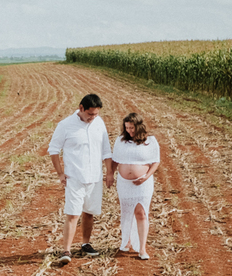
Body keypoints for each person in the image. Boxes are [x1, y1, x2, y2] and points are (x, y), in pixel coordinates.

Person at [47, 94, 113, 265]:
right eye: (90, 114)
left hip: (95, 177)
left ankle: (85, 243)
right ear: (81, 108)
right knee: (73, 213)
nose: (93, 118)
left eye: (96, 114)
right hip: (75, 177)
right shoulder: (65, 125)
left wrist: (109, 172)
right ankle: (66, 250)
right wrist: (60, 173)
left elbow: (106, 149)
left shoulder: (99, 123)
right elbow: (53, 150)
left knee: (89, 212)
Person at [108, 112, 160, 260]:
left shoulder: (150, 141)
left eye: (132, 128)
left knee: (141, 213)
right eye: (127, 128)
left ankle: (142, 248)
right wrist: (110, 173)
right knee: (126, 212)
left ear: (139, 126)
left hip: (143, 183)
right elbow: (115, 160)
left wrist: (146, 176)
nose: (129, 131)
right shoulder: (121, 140)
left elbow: (156, 161)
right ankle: (127, 240)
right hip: (124, 183)